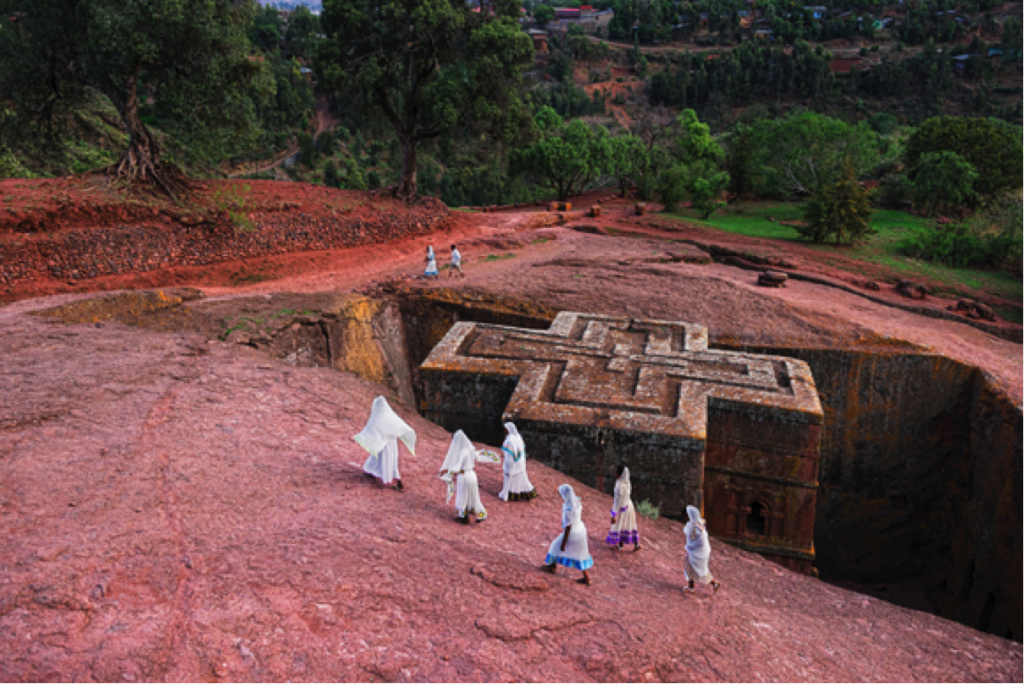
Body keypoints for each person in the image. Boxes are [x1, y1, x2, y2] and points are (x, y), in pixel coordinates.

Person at [353, 396, 416, 491]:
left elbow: (372, 429)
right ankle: (372, 470)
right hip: (390, 444)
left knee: (385, 460)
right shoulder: (389, 416)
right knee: (386, 460)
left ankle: (395, 481)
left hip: (385, 444)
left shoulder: (380, 417)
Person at [438, 430, 496, 524]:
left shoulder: (463, 452)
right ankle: (480, 513)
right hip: (472, 475)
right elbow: (478, 456)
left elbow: (457, 467)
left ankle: (463, 516)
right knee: (473, 496)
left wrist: (446, 470)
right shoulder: (471, 449)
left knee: (462, 496)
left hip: (464, 476)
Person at [543, 484, 593, 585]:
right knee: (581, 554)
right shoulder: (577, 502)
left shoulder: (568, 508)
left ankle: (552, 566)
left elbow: (568, 527)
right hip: (581, 530)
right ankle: (587, 578)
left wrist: (564, 543)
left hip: (573, 532)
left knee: (555, 545)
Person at [683, 505, 721, 594]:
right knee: (692, 567)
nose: (685, 517)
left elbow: (701, 542)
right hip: (697, 551)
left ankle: (713, 583)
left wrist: (690, 547)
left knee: (698, 569)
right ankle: (692, 586)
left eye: (686, 515)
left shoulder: (697, 528)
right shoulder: (694, 524)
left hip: (699, 552)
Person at [498, 422, 537, 502]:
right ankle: (525, 492)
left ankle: (510, 494)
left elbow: (509, 456)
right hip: (520, 463)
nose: (504, 431)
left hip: (513, 463)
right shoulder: (518, 437)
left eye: (505, 429)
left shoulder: (509, 441)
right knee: (520, 479)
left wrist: (509, 467)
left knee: (510, 480)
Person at [606, 465, 641, 552]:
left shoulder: (619, 486)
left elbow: (617, 501)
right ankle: (637, 544)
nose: (615, 473)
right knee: (630, 525)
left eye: (616, 472)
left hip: (622, 508)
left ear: (620, 475)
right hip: (629, 506)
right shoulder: (627, 482)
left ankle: (621, 547)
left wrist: (613, 514)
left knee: (621, 526)